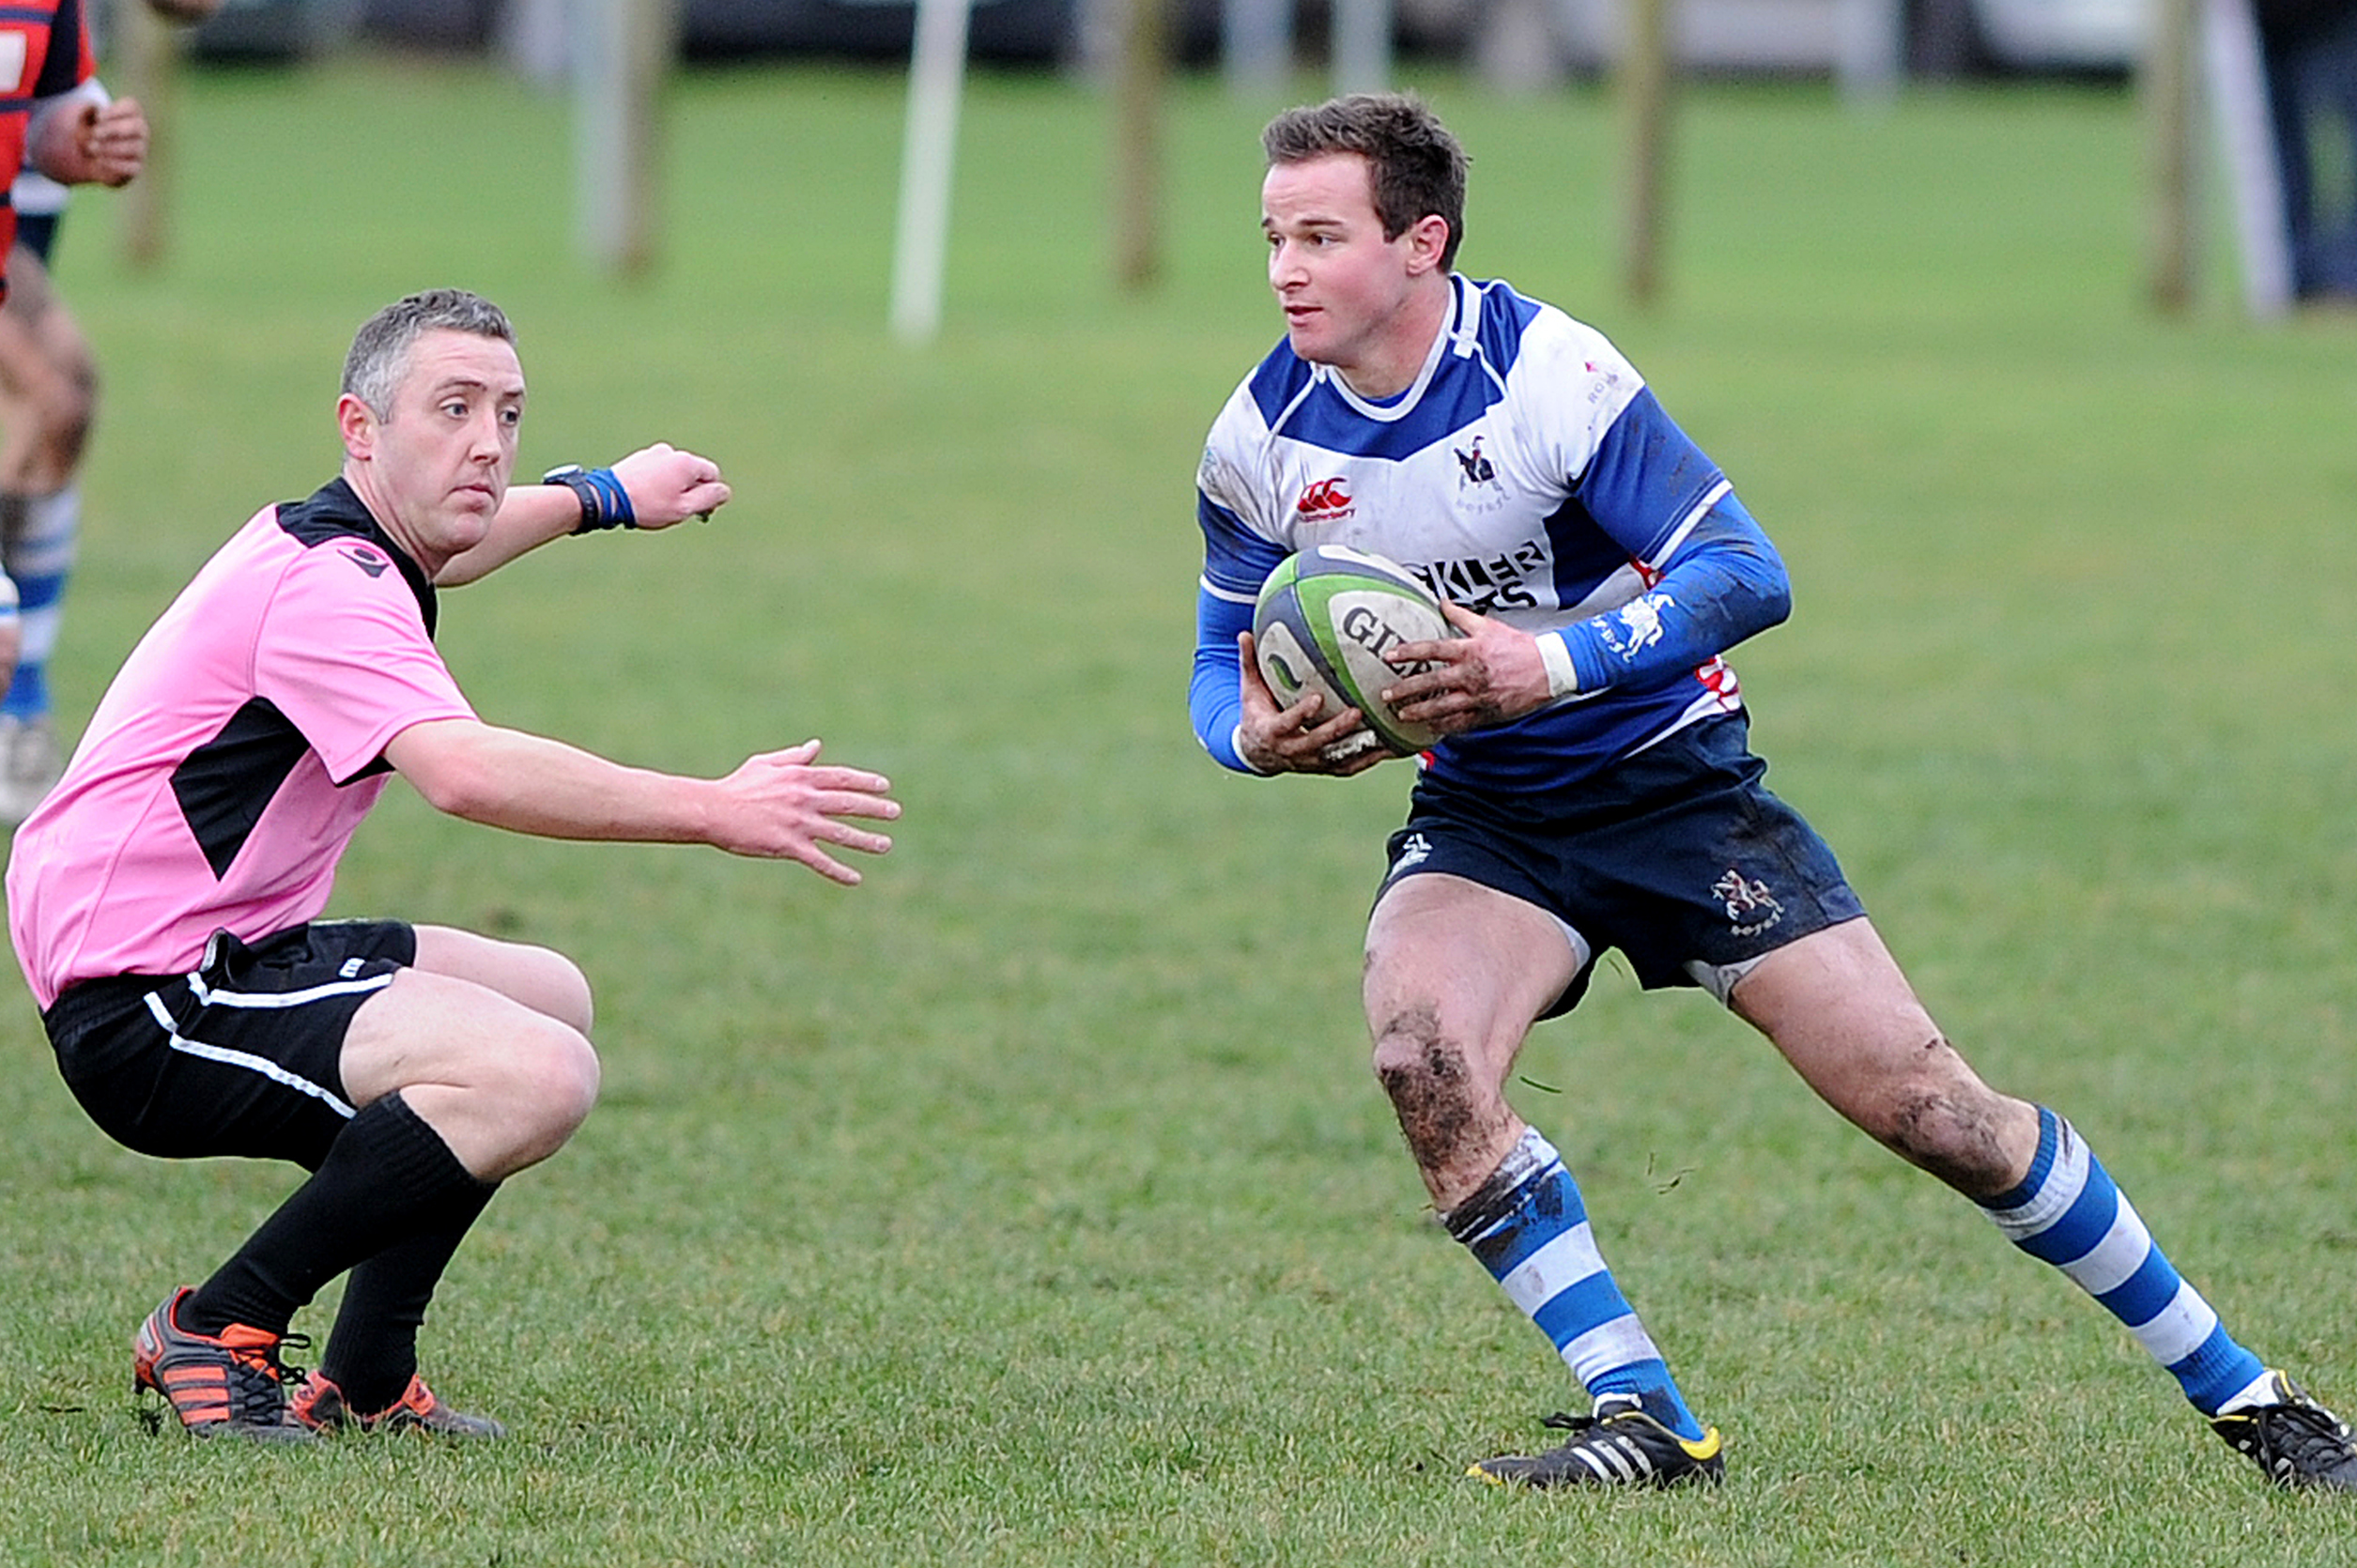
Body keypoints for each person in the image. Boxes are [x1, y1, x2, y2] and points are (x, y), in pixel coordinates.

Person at [1187, 92, 2357, 1492]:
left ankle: (2249, 1397)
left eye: (1320, 236)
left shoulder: (1548, 377)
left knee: (1938, 1114)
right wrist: (1249, 740)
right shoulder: (1257, 440)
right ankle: (1647, 1417)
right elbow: (1217, 657)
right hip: (1488, 822)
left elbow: (1745, 571)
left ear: (1421, 241)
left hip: (1675, 787)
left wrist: (1546, 664)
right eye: (1271, 237)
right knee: (1418, 1059)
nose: (1284, 271)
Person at [7, 288, 901, 1441]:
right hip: (145, 1003)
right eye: (454, 408)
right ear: (360, 427)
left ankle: (369, 1370)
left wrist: (605, 496)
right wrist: (715, 806)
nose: (487, 442)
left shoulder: (340, 537)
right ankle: (220, 1323)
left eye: (509, 412)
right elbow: (466, 773)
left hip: (224, 949)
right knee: (534, 1074)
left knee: (547, 995)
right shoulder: (326, 588)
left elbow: (457, 538)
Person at [0, 0, 223, 824]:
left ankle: (19, 709)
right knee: (53, 392)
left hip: (19, 196)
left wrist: (84, 139)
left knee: (59, 406)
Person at [2256, 0, 2357, 303]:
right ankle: (2295, 274)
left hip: (2332, 16)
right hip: (2268, 20)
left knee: (2337, 134)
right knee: (2275, 150)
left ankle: (2342, 274)